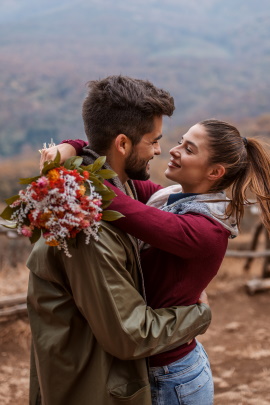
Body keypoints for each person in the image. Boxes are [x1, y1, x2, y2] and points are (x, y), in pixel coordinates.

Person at [52, 118, 270, 405]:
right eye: (180, 141)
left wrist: (72, 154)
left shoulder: (203, 230)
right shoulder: (169, 196)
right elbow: (112, 175)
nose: (173, 150)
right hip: (155, 365)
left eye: (189, 149)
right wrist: (74, 146)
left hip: (172, 377)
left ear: (215, 171)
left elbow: (110, 198)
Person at [28, 75, 212, 405]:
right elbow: (129, 335)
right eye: (153, 141)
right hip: (93, 387)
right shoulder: (86, 224)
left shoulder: (110, 185)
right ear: (123, 144)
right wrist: (198, 315)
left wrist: (70, 146)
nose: (159, 150)